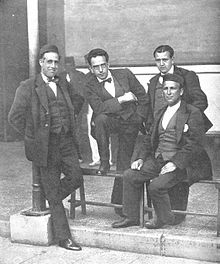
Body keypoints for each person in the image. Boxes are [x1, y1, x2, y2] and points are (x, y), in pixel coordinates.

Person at [8, 44, 84, 251]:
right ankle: (64, 238)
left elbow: (78, 101)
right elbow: (14, 117)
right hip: (45, 147)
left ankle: (50, 197)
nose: (53, 65)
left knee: (76, 177)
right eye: (49, 61)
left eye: (56, 62)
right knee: (52, 190)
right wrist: (33, 136)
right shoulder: (28, 86)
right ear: (41, 62)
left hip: (66, 142)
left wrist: (66, 121)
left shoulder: (63, 84)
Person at [112, 73, 212, 229]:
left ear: (181, 91)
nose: (169, 92)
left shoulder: (192, 112)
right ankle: (131, 217)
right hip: (158, 159)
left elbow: (195, 144)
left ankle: (163, 218)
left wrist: (175, 163)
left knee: (156, 186)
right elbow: (148, 140)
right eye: (165, 89)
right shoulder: (160, 112)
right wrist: (140, 159)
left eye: (173, 88)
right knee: (130, 175)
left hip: (182, 163)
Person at [147, 44, 213, 224]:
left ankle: (174, 215)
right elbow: (151, 109)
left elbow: (201, 101)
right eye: (158, 60)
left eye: (165, 60)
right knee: (153, 169)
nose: (161, 64)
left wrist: (185, 121)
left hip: (184, 136)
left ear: (172, 60)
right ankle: (160, 215)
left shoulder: (188, 76)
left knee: (179, 171)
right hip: (161, 136)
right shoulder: (153, 82)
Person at [85, 48, 150, 211]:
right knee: (100, 119)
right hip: (109, 122)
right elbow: (99, 108)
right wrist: (122, 99)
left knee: (124, 163)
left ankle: (122, 206)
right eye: (96, 67)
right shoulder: (90, 85)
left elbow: (143, 97)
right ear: (91, 68)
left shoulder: (124, 74)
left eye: (103, 65)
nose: (100, 70)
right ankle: (104, 161)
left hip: (130, 122)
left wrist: (139, 117)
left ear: (109, 64)